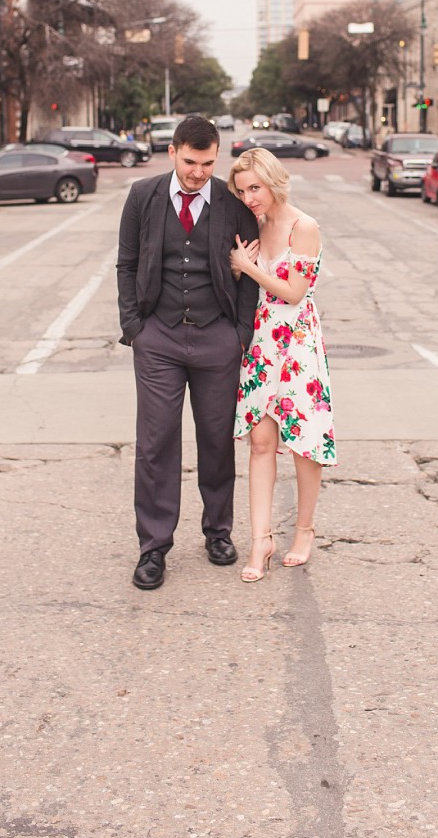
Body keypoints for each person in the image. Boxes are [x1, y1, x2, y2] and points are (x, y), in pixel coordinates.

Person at [117, 115, 260, 591]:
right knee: (156, 443)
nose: (199, 172)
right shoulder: (143, 196)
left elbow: (248, 267)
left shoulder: (231, 203)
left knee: (216, 439)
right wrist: (134, 326)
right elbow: (128, 262)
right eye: (191, 161)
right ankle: (153, 547)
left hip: (217, 338)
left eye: (208, 163)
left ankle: (218, 532)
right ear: (173, 152)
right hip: (157, 337)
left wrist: (240, 333)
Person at [228, 148, 336, 583]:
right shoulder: (253, 225)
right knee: (260, 440)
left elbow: (293, 293)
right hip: (261, 341)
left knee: (302, 443)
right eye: (242, 191)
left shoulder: (302, 227)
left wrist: (247, 268)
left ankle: (304, 531)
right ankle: (261, 540)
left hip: (297, 343)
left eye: (255, 188)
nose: (250, 197)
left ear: (273, 181)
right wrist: (239, 272)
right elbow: (245, 280)